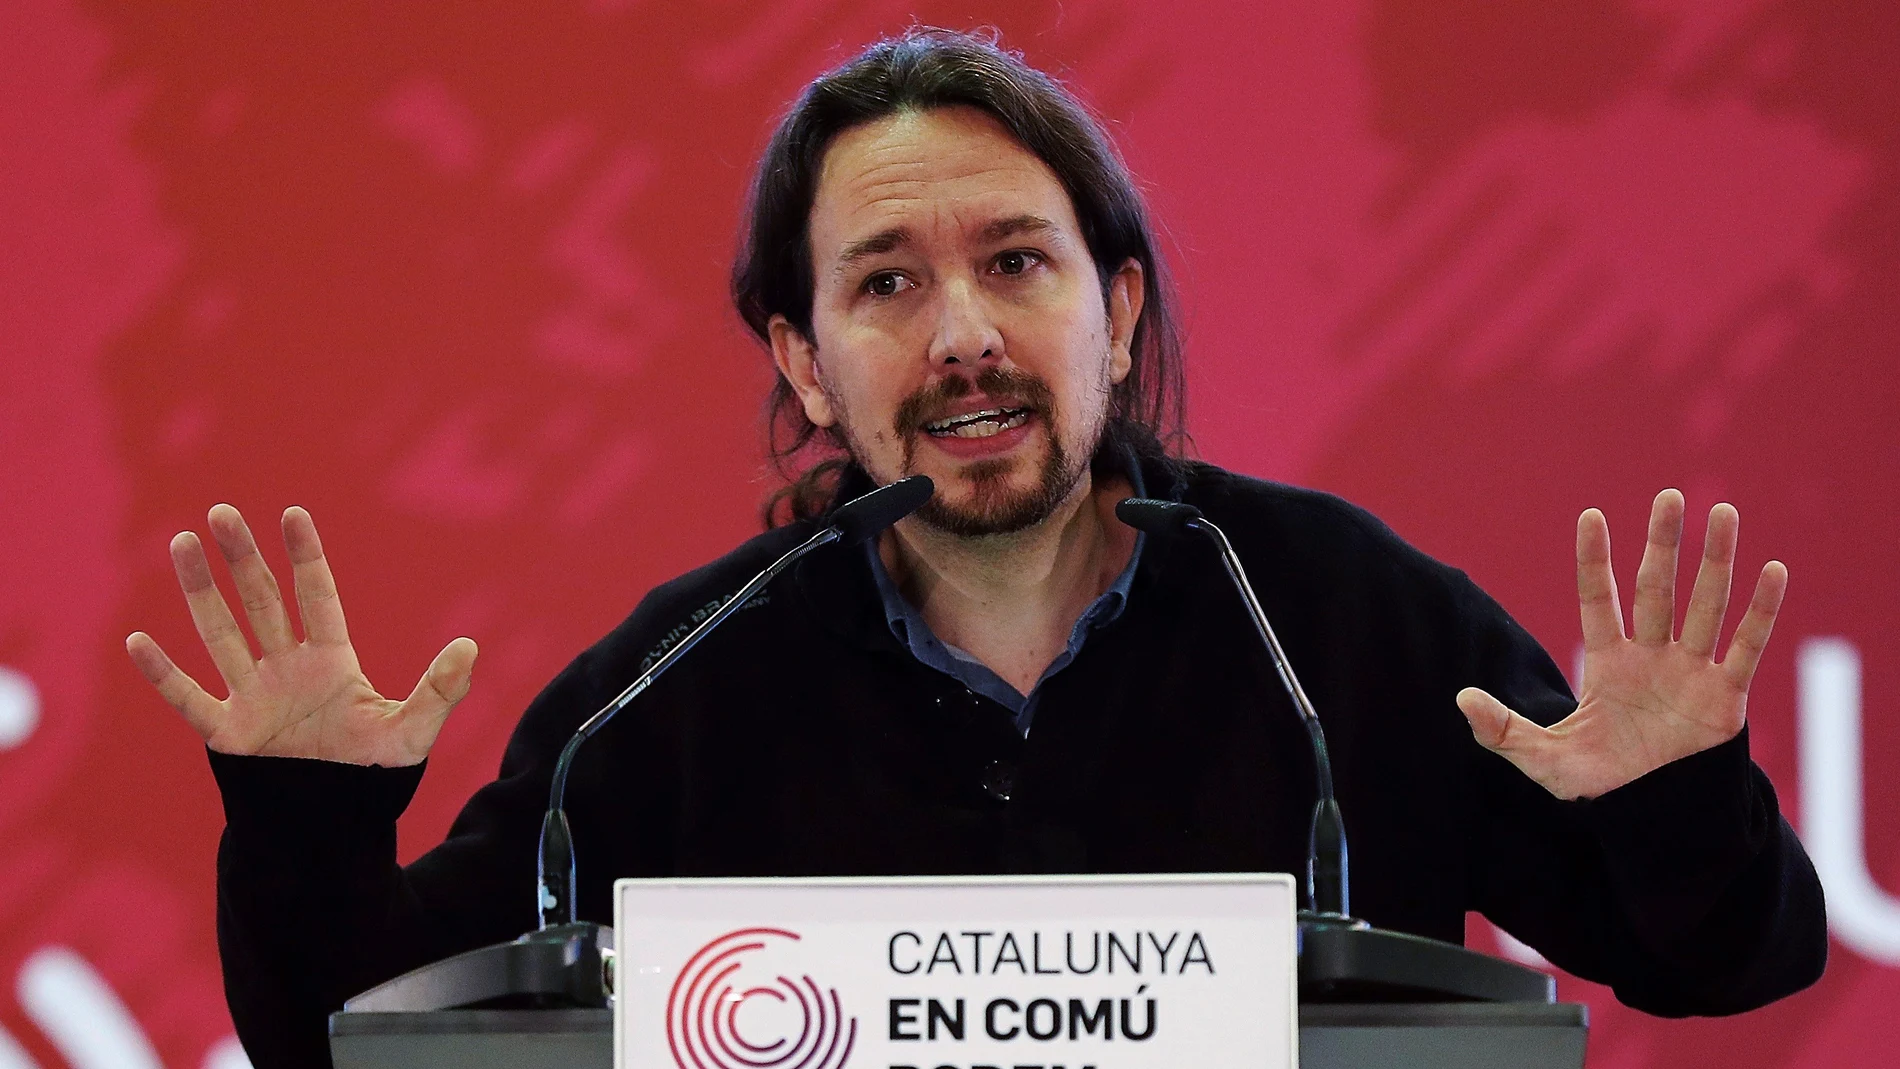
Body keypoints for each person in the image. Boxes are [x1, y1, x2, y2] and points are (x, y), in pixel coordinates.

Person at [126, 28, 1825, 1069]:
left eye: (1017, 262)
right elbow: (353, 1043)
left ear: (1118, 306)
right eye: (886, 284)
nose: (964, 336)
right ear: (802, 358)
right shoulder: (675, 692)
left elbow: (1720, 962)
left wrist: (1680, 797)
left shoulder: (1336, 622)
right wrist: (302, 825)